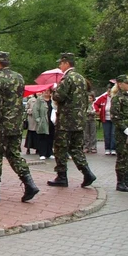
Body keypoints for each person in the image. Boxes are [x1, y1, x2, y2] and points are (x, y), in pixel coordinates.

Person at [0, 51, 38, 202]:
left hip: (2, 125)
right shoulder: (19, 77)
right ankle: (29, 183)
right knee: (14, 155)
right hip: (16, 124)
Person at [47, 53, 96, 188]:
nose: (59, 66)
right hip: (79, 120)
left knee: (60, 148)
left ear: (67, 63)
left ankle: (62, 176)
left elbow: (59, 97)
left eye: (61, 63)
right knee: (76, 148)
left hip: (66, 120)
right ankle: (87, 173)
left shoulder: (67, 79)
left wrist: (54, 90)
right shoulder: (81, 78)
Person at [111, 75, 128, 192]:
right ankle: (120, 182)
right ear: (120, 84)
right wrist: (124, 128)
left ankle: (126, 180)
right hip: (123, 132)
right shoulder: (117, 98)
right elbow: (115, 117)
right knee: (122, 156)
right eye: (126, 83)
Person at [93, 83, 116, 155]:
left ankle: (113, 148)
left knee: (113, 133)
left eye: (111, 91)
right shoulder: (103, 97)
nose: (109, 93)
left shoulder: (116, 98)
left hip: (114, 118)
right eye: (108, 91)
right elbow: (95, 103)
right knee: (106, 134)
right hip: (105, 118)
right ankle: (107, 148)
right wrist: (97, 110)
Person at [33, 90, 54, 160]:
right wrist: (38, 119)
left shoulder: (53, 99)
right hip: (43, 121)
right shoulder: (39, 100)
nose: (46, 92)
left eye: (48, 91)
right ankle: (42, 153)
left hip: (52, 121)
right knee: (42, 137)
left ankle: (50, 152)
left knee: (51, 137)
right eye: (45, 91)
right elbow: (35, 110)